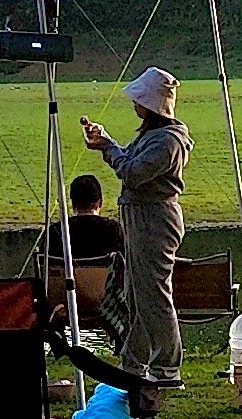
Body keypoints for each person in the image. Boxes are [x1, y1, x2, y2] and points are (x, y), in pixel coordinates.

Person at [80, 66, 189, 381]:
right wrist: (108, 143)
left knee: (153, 294)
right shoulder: (154, 135)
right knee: (137, 293)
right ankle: (135, 362)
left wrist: (108, 147)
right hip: (141, 217)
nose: (134, 104)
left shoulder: (167, 141)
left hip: (154, 219)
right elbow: (130, 162)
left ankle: (167, 367)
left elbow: (132, 173)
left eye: (139, 99)